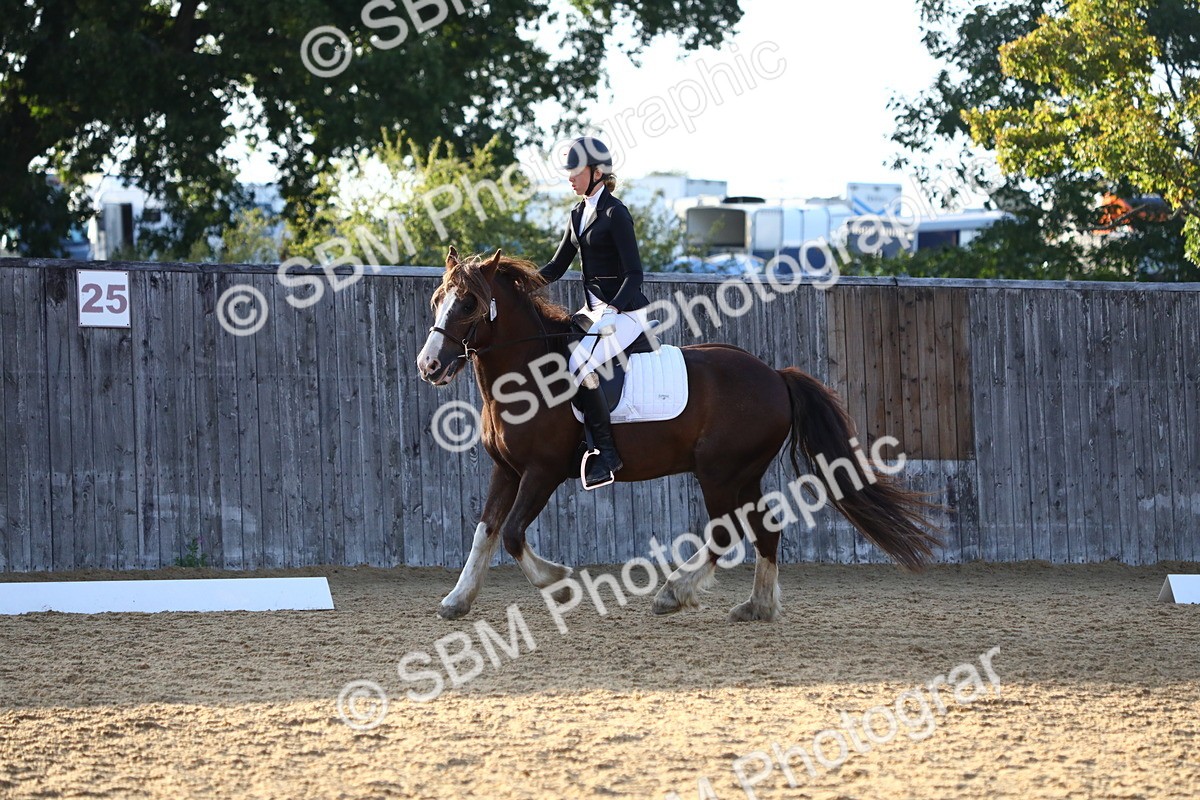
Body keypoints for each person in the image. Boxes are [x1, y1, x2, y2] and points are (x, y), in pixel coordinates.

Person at [539, 136, 653, 490]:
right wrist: (515, 283)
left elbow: (635, 273)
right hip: (592, 313)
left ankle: (607, 454)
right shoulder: (577, 214)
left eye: (575, 170)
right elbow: (556, 267)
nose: (570, 177)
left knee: (580, 366)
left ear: (598, 172)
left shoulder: (615, 213)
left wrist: (613, 309)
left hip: (625, 313)